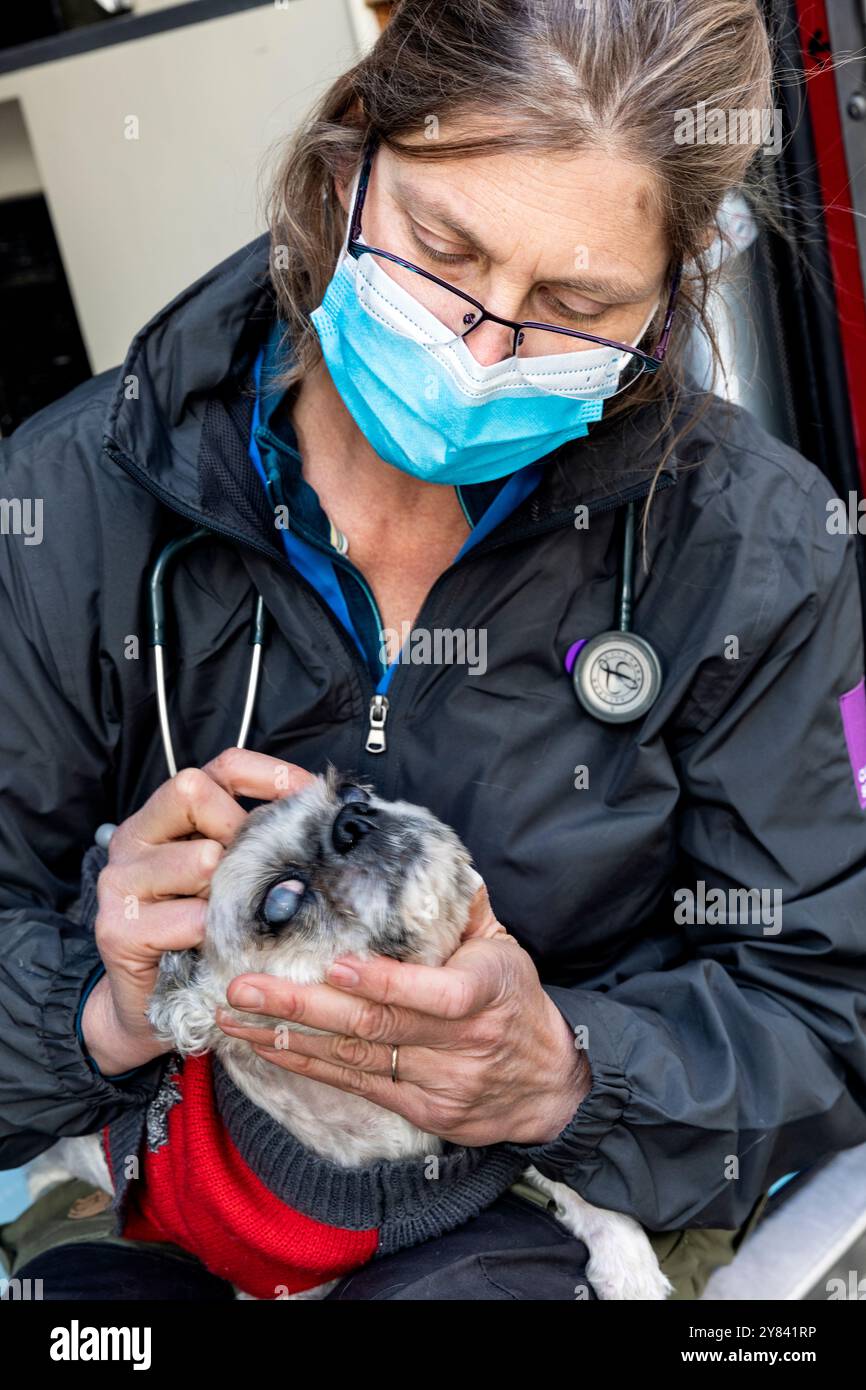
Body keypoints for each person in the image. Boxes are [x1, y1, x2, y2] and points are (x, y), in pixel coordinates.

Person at [1, 0, 865, 1302]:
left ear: (673, 291)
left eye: (574, 301)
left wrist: (566, 1070)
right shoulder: (66, 502)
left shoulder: (764, 549)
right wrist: (98, 1004)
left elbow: (829, 1007)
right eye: (442, 249)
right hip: (162, 1203)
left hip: (524, 1216)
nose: (481, 348)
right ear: (346, 173)